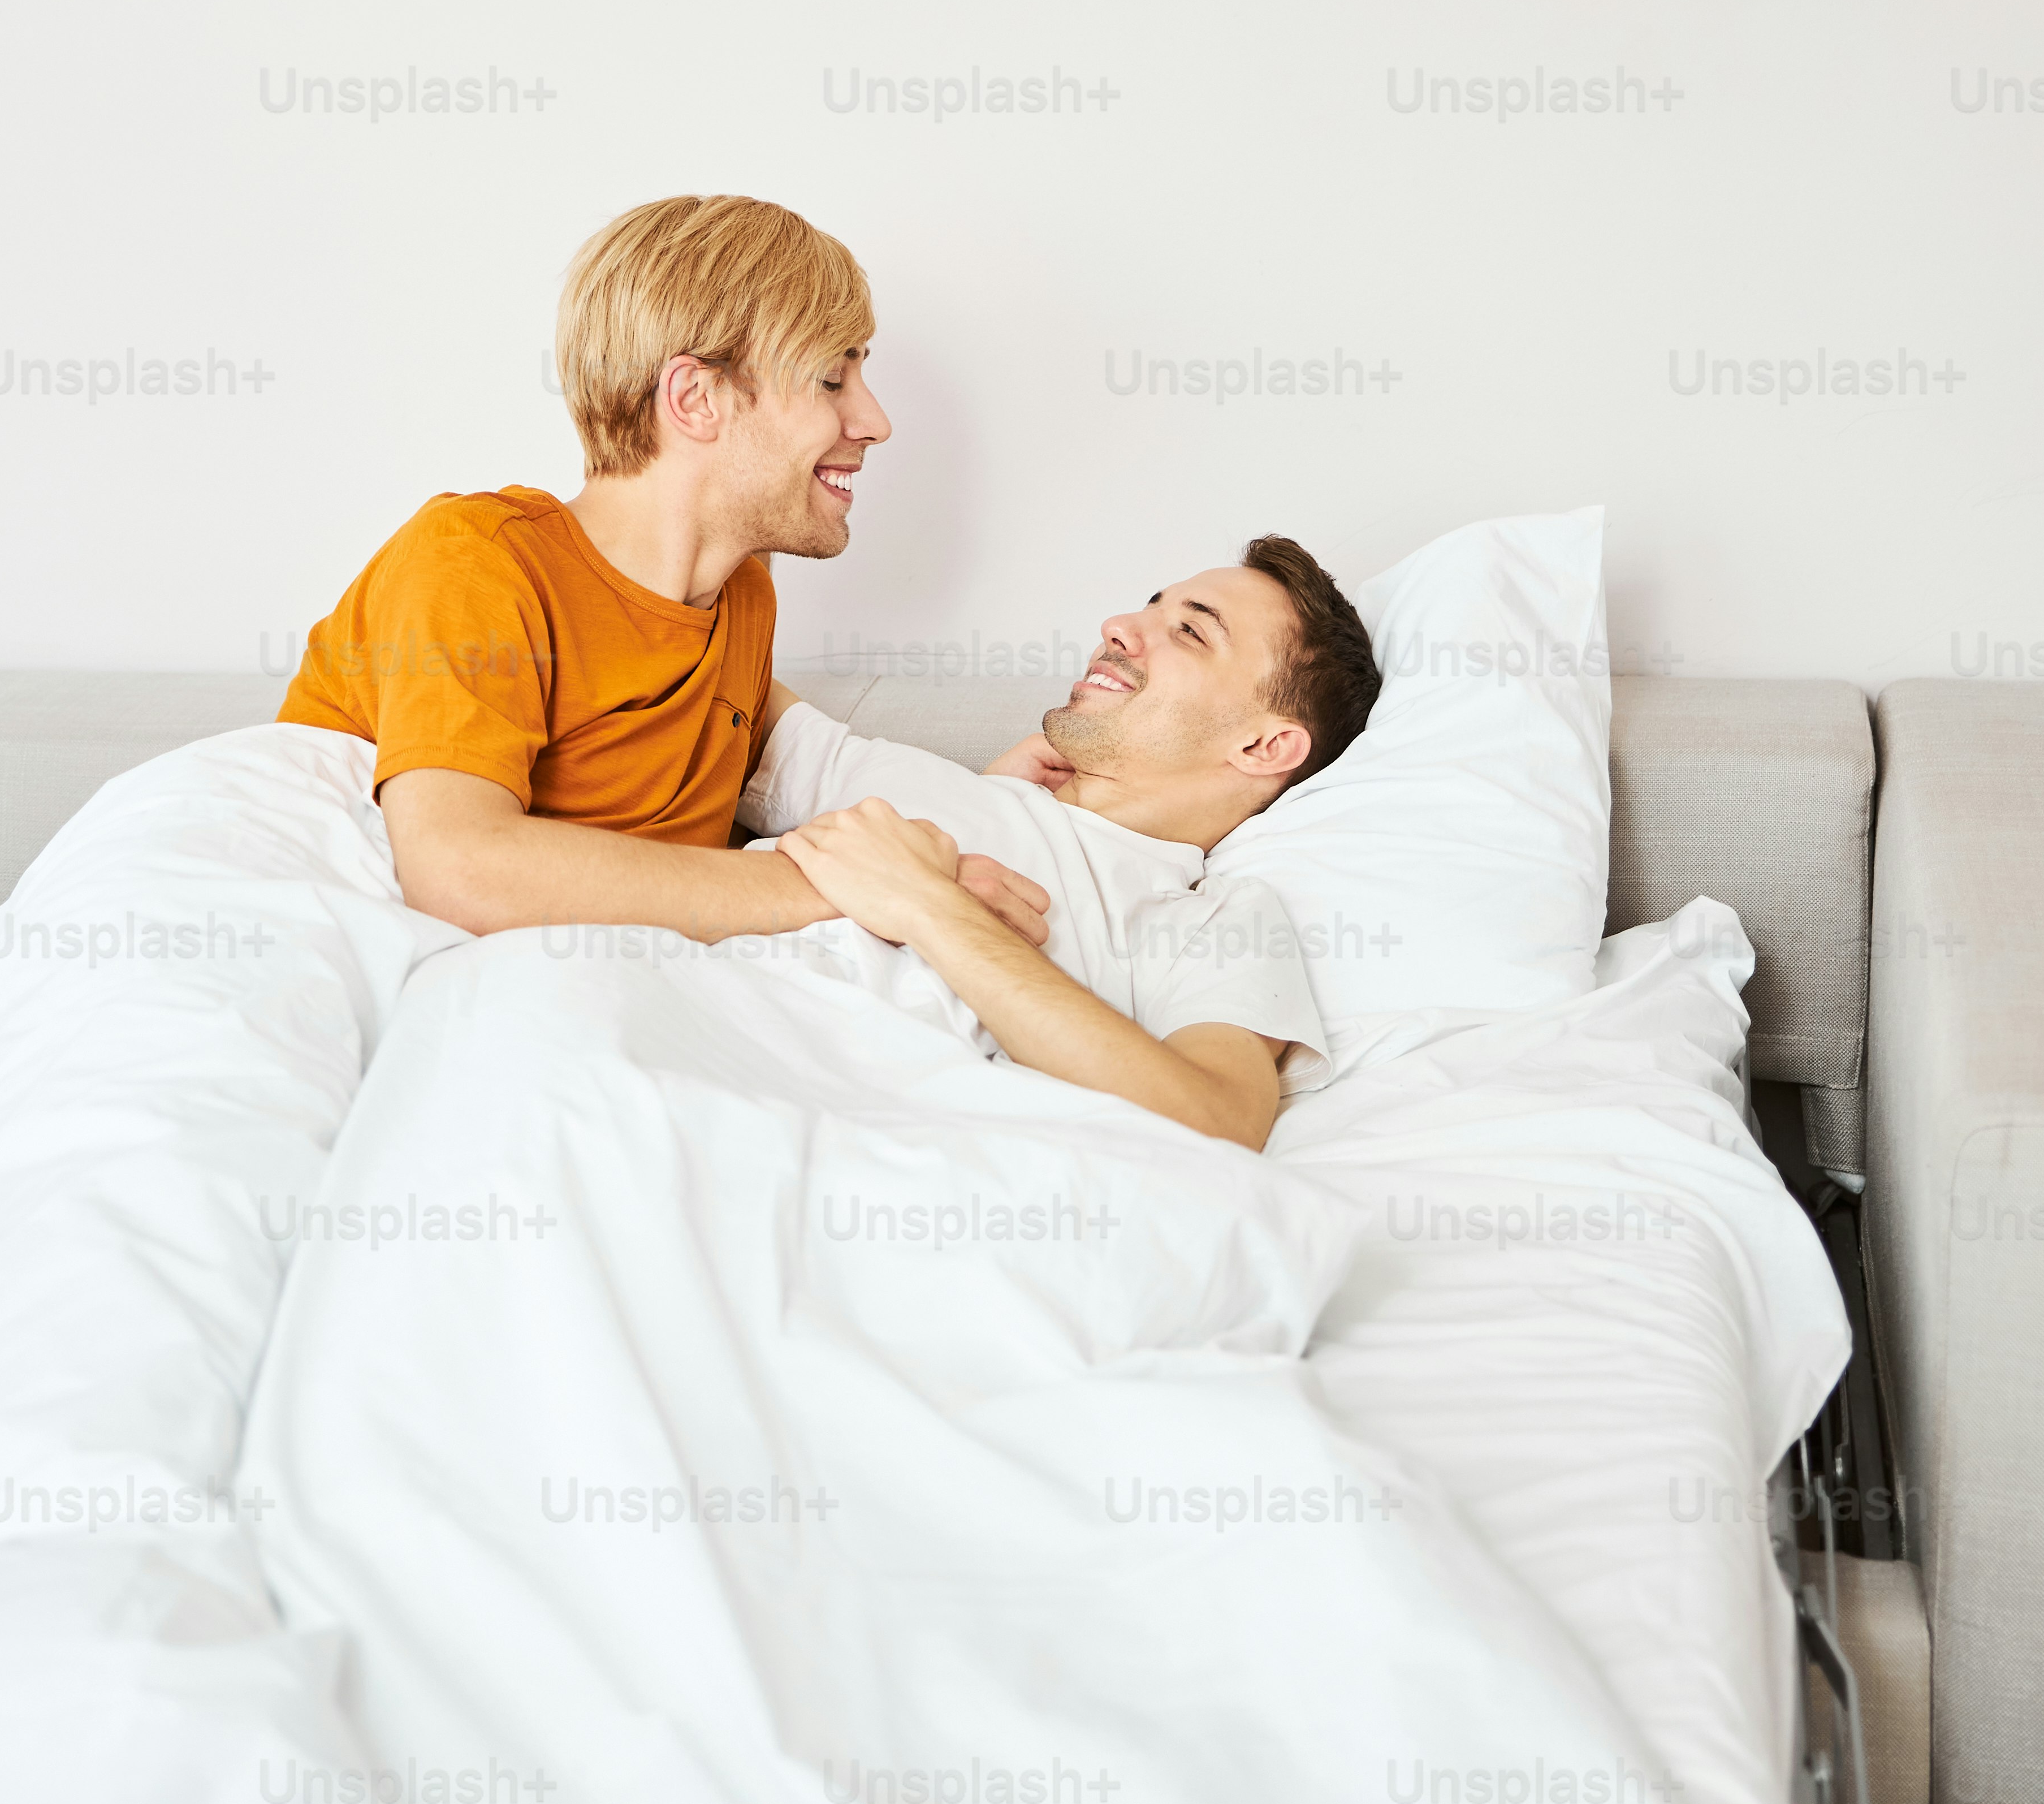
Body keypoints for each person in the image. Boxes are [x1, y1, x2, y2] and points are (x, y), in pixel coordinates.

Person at [276, 192, 1052, 951]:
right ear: (696, 398)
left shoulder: (740, 593)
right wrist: (869, 893)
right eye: (829, 379)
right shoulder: (474, 560)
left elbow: (815, 769)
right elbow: (460, 872)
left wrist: (986, 805)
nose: (875, 422)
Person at [745, 540, 1382, 1155]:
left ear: (1262, 746)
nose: (1117, 625)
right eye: (1151, 605)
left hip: (778, 1120)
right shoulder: (922, 781)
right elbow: (711, 650)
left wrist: (931, 907)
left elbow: (1217, 1120)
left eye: (1192, 632)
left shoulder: (1212, 921)